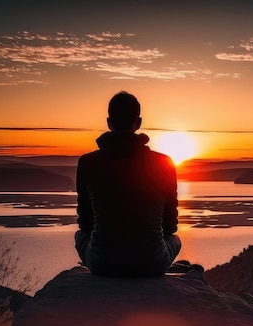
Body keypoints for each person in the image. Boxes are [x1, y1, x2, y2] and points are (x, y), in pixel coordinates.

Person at [74, 91, 181, 277]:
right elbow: (170, 227)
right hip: (151, 264)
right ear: (138, 122)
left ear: (109, 122)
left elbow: (86, 225)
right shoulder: (165, 163)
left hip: (103, 264)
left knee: (79, 237)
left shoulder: (87, 163)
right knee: (175, 240)